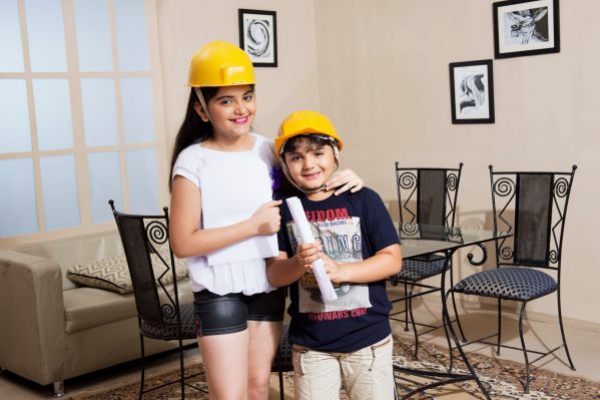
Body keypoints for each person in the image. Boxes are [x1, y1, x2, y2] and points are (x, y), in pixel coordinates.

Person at [168, 41, 363, 400]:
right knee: (229, 395)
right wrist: (252, 227)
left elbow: (307, 186)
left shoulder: (267, 150)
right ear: (202, 109)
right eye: (226, 101)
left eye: (247, 96)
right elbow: (183, 243)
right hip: (219, 290)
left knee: (258, 387)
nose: (241, 109)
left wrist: (343, 178)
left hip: (268, 284)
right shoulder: (193, 161)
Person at [266, 110, 403, 399]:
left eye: (318, 153)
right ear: (285, 163)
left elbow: (392, 259)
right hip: (312, 346)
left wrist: (342, 271)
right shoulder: (282, 210)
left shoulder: (363, 199)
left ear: (335, 155)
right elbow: (275, 274)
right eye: (297, 157)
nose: (309, 164)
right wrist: (297, 263)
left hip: (368, 341)